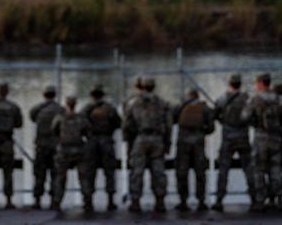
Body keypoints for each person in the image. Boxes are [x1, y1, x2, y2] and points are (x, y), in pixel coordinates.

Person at [241, 73, 282, 212]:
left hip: (260, 138)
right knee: (276, 169)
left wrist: (255, 123)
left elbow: (244, 117)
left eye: (257, 83)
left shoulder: (255, 99)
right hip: (276, 138)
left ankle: (261, 200)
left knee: (259, 169)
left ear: (261, 83)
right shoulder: (280, 100)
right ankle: (279, 199)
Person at [123, 77, 172, 214]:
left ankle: (136, 202)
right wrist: (168, 143)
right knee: (158, 171)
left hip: (140, 138)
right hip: (157, 139)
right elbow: (169, 126)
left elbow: (127, 125)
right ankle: (160, 202)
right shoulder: (162, 103)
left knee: (137, 171)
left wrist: (129, 143)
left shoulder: (133, 103)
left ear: (142, 87)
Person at [212, 73, 254, 211]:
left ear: (229, 84)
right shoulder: (246, 99)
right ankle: (255, 198)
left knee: (223, 169)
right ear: (240, 84)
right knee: (248, 168)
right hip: (243, 136)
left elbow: (215, 114)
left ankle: (219, 199)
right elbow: (252, 116)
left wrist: (224, 121)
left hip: (228, 137)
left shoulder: (222, 99)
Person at [81, 84, 122, 212]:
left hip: (91, 141)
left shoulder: (86, 109)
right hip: (106, 140)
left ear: (92, 95)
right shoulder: (110, 108)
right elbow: (118, 123)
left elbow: (80, 124)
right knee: (109, 171)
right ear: (102, 95)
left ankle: (88, 201)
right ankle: (110, 200)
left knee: (89, 172)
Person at [173, 89, 214, 212]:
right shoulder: (204, 108)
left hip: (183, 143)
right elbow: (211, 128)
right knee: (200, 172)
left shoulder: (181, 106)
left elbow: (172, 119)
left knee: (182, 172)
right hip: (199, 143)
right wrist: (201, 132)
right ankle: (201, 201)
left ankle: (183, 201)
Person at [51, 96, 92, 211]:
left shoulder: (60, 117)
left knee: (60, 177)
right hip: (79, 150)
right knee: (83, 177)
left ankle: (57, 201)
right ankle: (88, 201)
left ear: (66, 103)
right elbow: (88, 132)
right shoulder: (82, 118)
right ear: (75, 104)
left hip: (64, 150)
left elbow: (54, 130)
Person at [29, 85, 65, 209]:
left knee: (39, 173)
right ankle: (55, 201)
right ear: (54, 95)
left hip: (41, 146)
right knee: (55, 174)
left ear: (44, 95)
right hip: (55, 146)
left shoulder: (38, 109)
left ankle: (37, 200)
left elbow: (31, 116)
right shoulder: (60, 109)